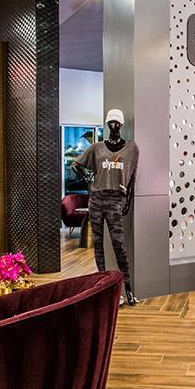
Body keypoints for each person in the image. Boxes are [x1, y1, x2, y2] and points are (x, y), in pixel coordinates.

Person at [72, 109, 140, 306]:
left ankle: (128, 289)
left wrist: (127, 201)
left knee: (119, 245)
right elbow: (75, 165)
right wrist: (88, 180)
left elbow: (133, 178)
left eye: (116, 123)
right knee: (98, 245)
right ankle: (103, 287)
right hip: (96, 199)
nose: (113, 126)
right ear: (107, 125)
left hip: (115, 200)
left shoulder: (131, 149)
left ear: (121, 125)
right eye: (110, 123)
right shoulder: (97, 148)